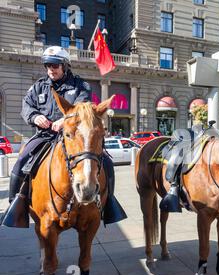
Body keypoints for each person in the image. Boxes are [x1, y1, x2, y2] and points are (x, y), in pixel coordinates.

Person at [1, 46, 126, 228]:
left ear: (65, 66)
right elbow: (26, 106)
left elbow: (82, 106)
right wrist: (35, 116)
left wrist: (64, 120)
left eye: (55, 65)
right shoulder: (38, 86)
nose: (51, 69)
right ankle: (15, 206)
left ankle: (108, 204)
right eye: (48, 65)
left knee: (105, 162)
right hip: (44, 136)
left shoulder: (80, 85)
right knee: (21, 160)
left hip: (73, 135)